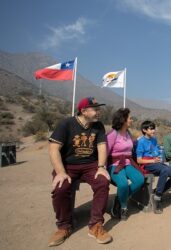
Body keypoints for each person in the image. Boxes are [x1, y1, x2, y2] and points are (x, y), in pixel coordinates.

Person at [47, 97, 112, 247]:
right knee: (60, 188)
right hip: (68, 166)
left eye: (98, 109)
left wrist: (101, 167)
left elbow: (102, 147)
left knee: (103, 182)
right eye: (95, 109)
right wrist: (60, 172)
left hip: (90, 165)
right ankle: (64, 226)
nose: (98, 112)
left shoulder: (98, 126)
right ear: (83, 111)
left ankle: (95, 225)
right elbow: (53, 149)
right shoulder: (66, 124)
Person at [107, 108, 144, 220]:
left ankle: (119, 199)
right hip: (115, 164)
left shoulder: (128, 133)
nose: (131, 120)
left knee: (140, 180)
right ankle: (123, 206)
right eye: (129, 118)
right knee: (122, 184)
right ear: (123, 120)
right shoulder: (112, 134)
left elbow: (131, 147)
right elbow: (105, 152)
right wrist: (102, 168)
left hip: (128, 163)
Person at [136, 120, 171, 214]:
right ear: (144, 130)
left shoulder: (154, 139)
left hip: (156, 163)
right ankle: (157, 198)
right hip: (147, 164)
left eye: (154, 128)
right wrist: (152, 160)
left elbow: (156, 151)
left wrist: (158, 156)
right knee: (164, 170)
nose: (153, 131)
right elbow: (139, 160)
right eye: (151, 129)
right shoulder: (141, 142)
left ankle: (157, 192)